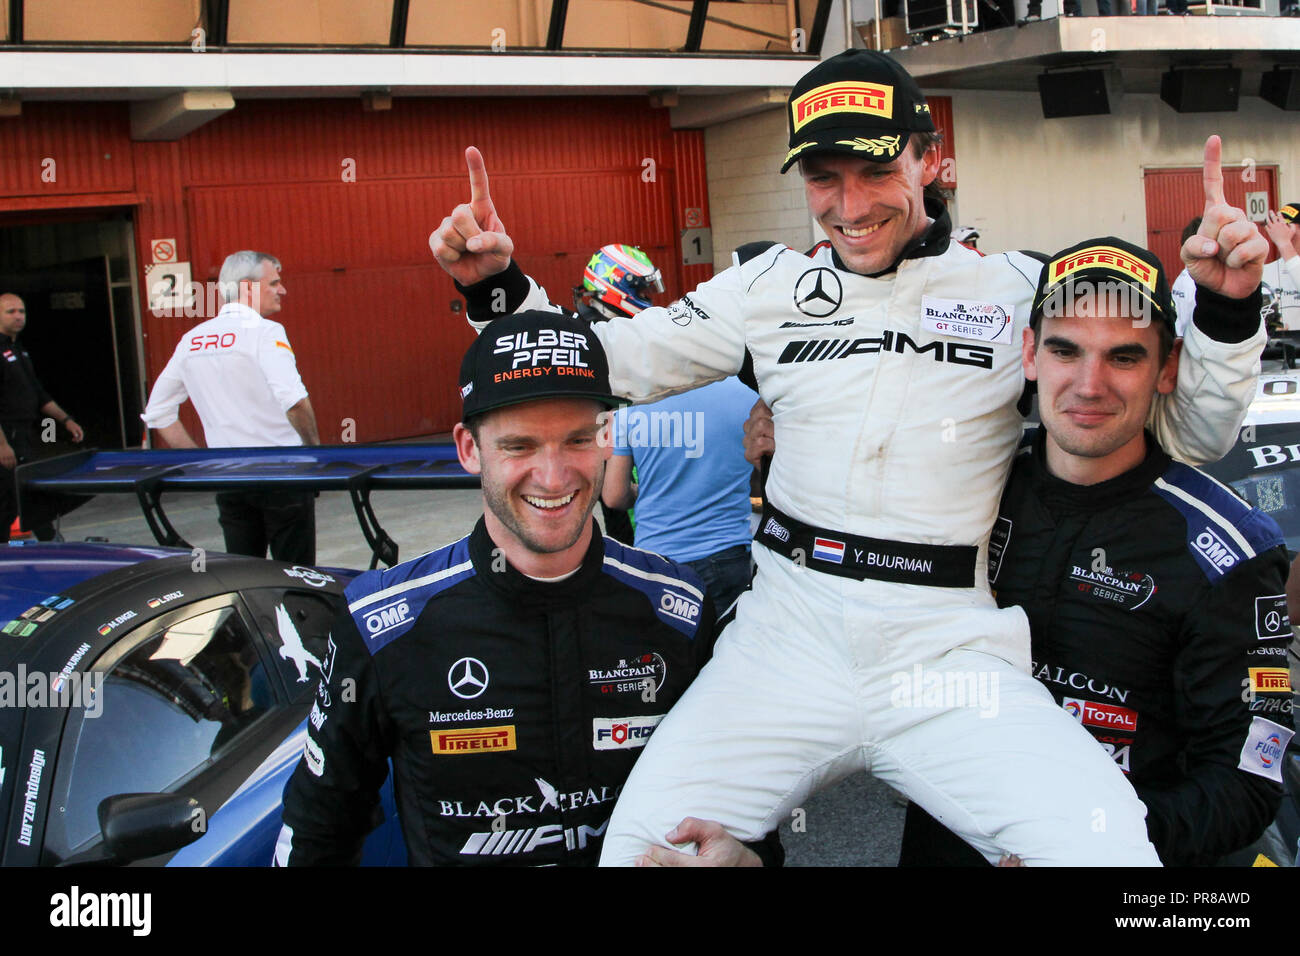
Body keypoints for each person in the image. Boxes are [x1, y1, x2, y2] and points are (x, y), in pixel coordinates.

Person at [430, 49, 1267, 865]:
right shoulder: (764, 290)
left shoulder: (1019, 286)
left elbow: (1191, 433)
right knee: (645, 852)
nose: (849, 203)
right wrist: (496, 291)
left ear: (930, 159)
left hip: (947, 648)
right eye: (824, 177)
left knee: (1104, 847)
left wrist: (1226, 312)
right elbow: (604, 359)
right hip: (784, 639)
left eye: (875, 171)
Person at [276, 311, 778, 866]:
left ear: (607, 436)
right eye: (519, 446)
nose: (554, 475)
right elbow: (317, 831)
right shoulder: (380, 626)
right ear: (469, 449)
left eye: (577, 440)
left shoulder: (679, 611)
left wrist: (749, 859)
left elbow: (745, 810)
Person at [914, 238, 1291, 865]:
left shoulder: (1229, 552)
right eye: (1066, 349)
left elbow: (1251, 780)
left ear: (1166, 368)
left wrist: (1087, 845)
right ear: (1031, 354)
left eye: (1123, 356)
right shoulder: (956, 498)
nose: (1089, 385)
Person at [579, 244, 758, 616]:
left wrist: (650, 492)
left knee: (666, 660)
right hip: (732, 554)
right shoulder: (747, 395)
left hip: (653, 554)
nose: (650, 300)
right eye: (643, 291)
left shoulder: (633, 403)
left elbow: (612, 496)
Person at [140, 251, 320, 564]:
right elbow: (295, 402)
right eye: (275, 282)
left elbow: (158, 413)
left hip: (229, 478)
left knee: (244, 571)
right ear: (249, 287)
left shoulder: (192, 340)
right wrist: (314, 451)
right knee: (296, 575)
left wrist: (203, 462)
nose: (283, 290)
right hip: (284, 475)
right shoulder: (265, 332)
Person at [576, 243, 666, 546]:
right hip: (609, 448)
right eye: (641, 290)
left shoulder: (621, 326)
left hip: (635, 442)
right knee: (630, 534)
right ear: (615, 286)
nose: (648, 298)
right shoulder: (587, 335)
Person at [0, 292, 85, 541]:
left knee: (20, 496)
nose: (18, 316)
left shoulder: (18, 350)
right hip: (7, 436)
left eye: (22, 311)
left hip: (24, 434)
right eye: (11, 312)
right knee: (18, 496)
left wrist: (66, 419)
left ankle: (42, 544)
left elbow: (37, 393)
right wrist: (2, 445)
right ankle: (47, 544)